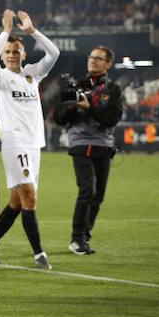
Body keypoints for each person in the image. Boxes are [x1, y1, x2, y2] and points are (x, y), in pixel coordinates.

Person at [0, 10, 60, 269]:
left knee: (17, 202)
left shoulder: (32, 75)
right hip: (15, 143)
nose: (11, 55)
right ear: (3, 55)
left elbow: (54, 53)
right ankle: (39, 255)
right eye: (8, 52)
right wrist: (5, 31)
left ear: (23, 55)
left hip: (34, 144)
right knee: (30, 199)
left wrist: (32, 31)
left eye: (16, 51)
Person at [53, 46, 122, 255]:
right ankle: (77, 239)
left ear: (108, 64)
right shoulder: (74, 85)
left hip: (103, 145)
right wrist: (73, 106)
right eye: (91, 57)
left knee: (98, 195)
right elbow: (59, 118)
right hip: (80, 143)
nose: (93, 61)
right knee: (88, 190)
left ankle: (84, 236)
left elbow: (112, 119)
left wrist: (88, 107)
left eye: (99, 59)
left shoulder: (113, 90)